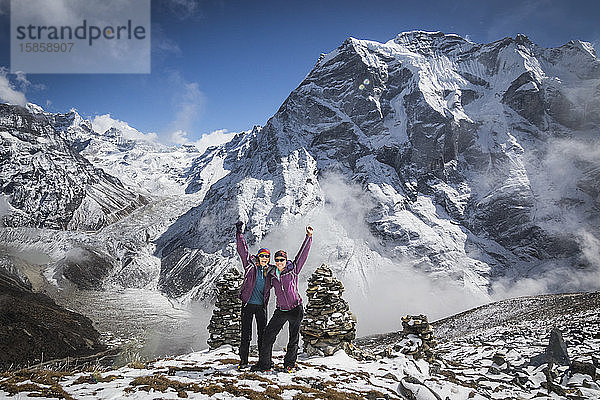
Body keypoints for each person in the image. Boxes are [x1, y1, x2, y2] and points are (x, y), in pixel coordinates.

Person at [251, 225, 313, 373]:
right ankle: (265, 364)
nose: (279, 262)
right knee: (267, 336)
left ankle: (289, 364)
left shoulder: (293, 270)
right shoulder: (272, 274)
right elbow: (259, 265)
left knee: (293, 339)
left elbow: (302, 254)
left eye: (282, 259)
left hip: (296, 309)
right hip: (281, 310)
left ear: (286, 260)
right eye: (277, 260)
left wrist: (308, 237)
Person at [235, 221, 273, 369]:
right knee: (246, 335)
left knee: (262, 335)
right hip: (248, 305)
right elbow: (242, 250)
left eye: (266, 257)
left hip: (261, 307)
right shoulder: (250, 265)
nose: (264, 258)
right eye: (262, 256)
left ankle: (263, 361)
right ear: (258, 257)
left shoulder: (270, 271)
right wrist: (239, 233)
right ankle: (243, 361)